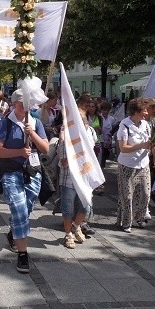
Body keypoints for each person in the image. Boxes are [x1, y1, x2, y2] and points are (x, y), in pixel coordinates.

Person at [0, 89, 49, 273]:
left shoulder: (36, 123)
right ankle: (23, 255)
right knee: (19, 209)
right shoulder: (5, 124)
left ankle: (13, 232)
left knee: (26, 209)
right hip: (11, 172)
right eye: (21, 104)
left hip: (32, 172)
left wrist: (31, 134)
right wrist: (18, 152)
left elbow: (46, 148)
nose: (25, 108)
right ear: (15, 104)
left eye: (28, 105)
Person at [115, 98, 155, 232]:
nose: (146, 113)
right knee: (127, 196)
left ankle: (139, 218)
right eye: (144, 110)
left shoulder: (146, 124)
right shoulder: (125, 125)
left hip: (143, 163)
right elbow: (123, 148)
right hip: (127, 164)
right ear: (136, 111)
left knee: (145, 193)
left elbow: (151, 141)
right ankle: (126, 221)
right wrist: (140, 145)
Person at [59, 102, 96, 248]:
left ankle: (76, 226)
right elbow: (64, 162)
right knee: (68, 209)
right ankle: (68, 234)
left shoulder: (89, 135)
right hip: (69, 179)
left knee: (85, 208)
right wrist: (78, 153)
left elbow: (93, 156)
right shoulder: (66, 138)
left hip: (84, 178)